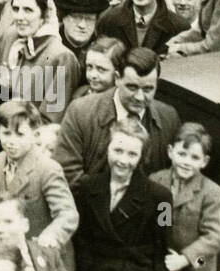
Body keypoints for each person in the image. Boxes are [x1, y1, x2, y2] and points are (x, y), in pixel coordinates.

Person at [72, 118, 174, 271]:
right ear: (107, 149)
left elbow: (165, 249)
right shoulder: (87, 187)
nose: (123, 160)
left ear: (141, 157)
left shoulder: (162, 197)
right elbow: (79, 239)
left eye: (132, 154)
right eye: (117, 151)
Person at [55, 43, 181, 187]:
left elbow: (170, 179)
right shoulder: (81, 111)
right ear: (117, 78)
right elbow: (67, 173)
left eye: (148, 89)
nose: (139, 97)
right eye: (132, 87)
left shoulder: (169, 118)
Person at [148, 121, 220, 271]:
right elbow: (160, 222)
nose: (186, 162)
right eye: (182, 154)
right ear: (170, 152)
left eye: (194, 157)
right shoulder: (158, 181)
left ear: (204, 162)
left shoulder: (212, 193)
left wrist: (184, 259)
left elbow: (214, 238)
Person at [0, 99, 78, 252]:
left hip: (44, 256)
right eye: (6, 133)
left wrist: (49, 238)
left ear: (35, 134)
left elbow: (68, 214)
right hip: (12, 254)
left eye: (20, 135)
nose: (11, 142)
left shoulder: (47, 168)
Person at [2, 0, 78, 122]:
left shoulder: (61, 57)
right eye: (16, 9)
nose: (20, 16)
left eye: (28, 10)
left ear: (44, 15)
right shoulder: (10, 37)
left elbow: (51, 119)